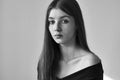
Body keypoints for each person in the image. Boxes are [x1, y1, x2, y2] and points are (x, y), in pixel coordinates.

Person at [37, 0, 104, 80]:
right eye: (52, 22)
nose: (56, 28)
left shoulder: (90, 63)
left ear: (77, 24)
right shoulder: (44, 62)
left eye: (64, 21)